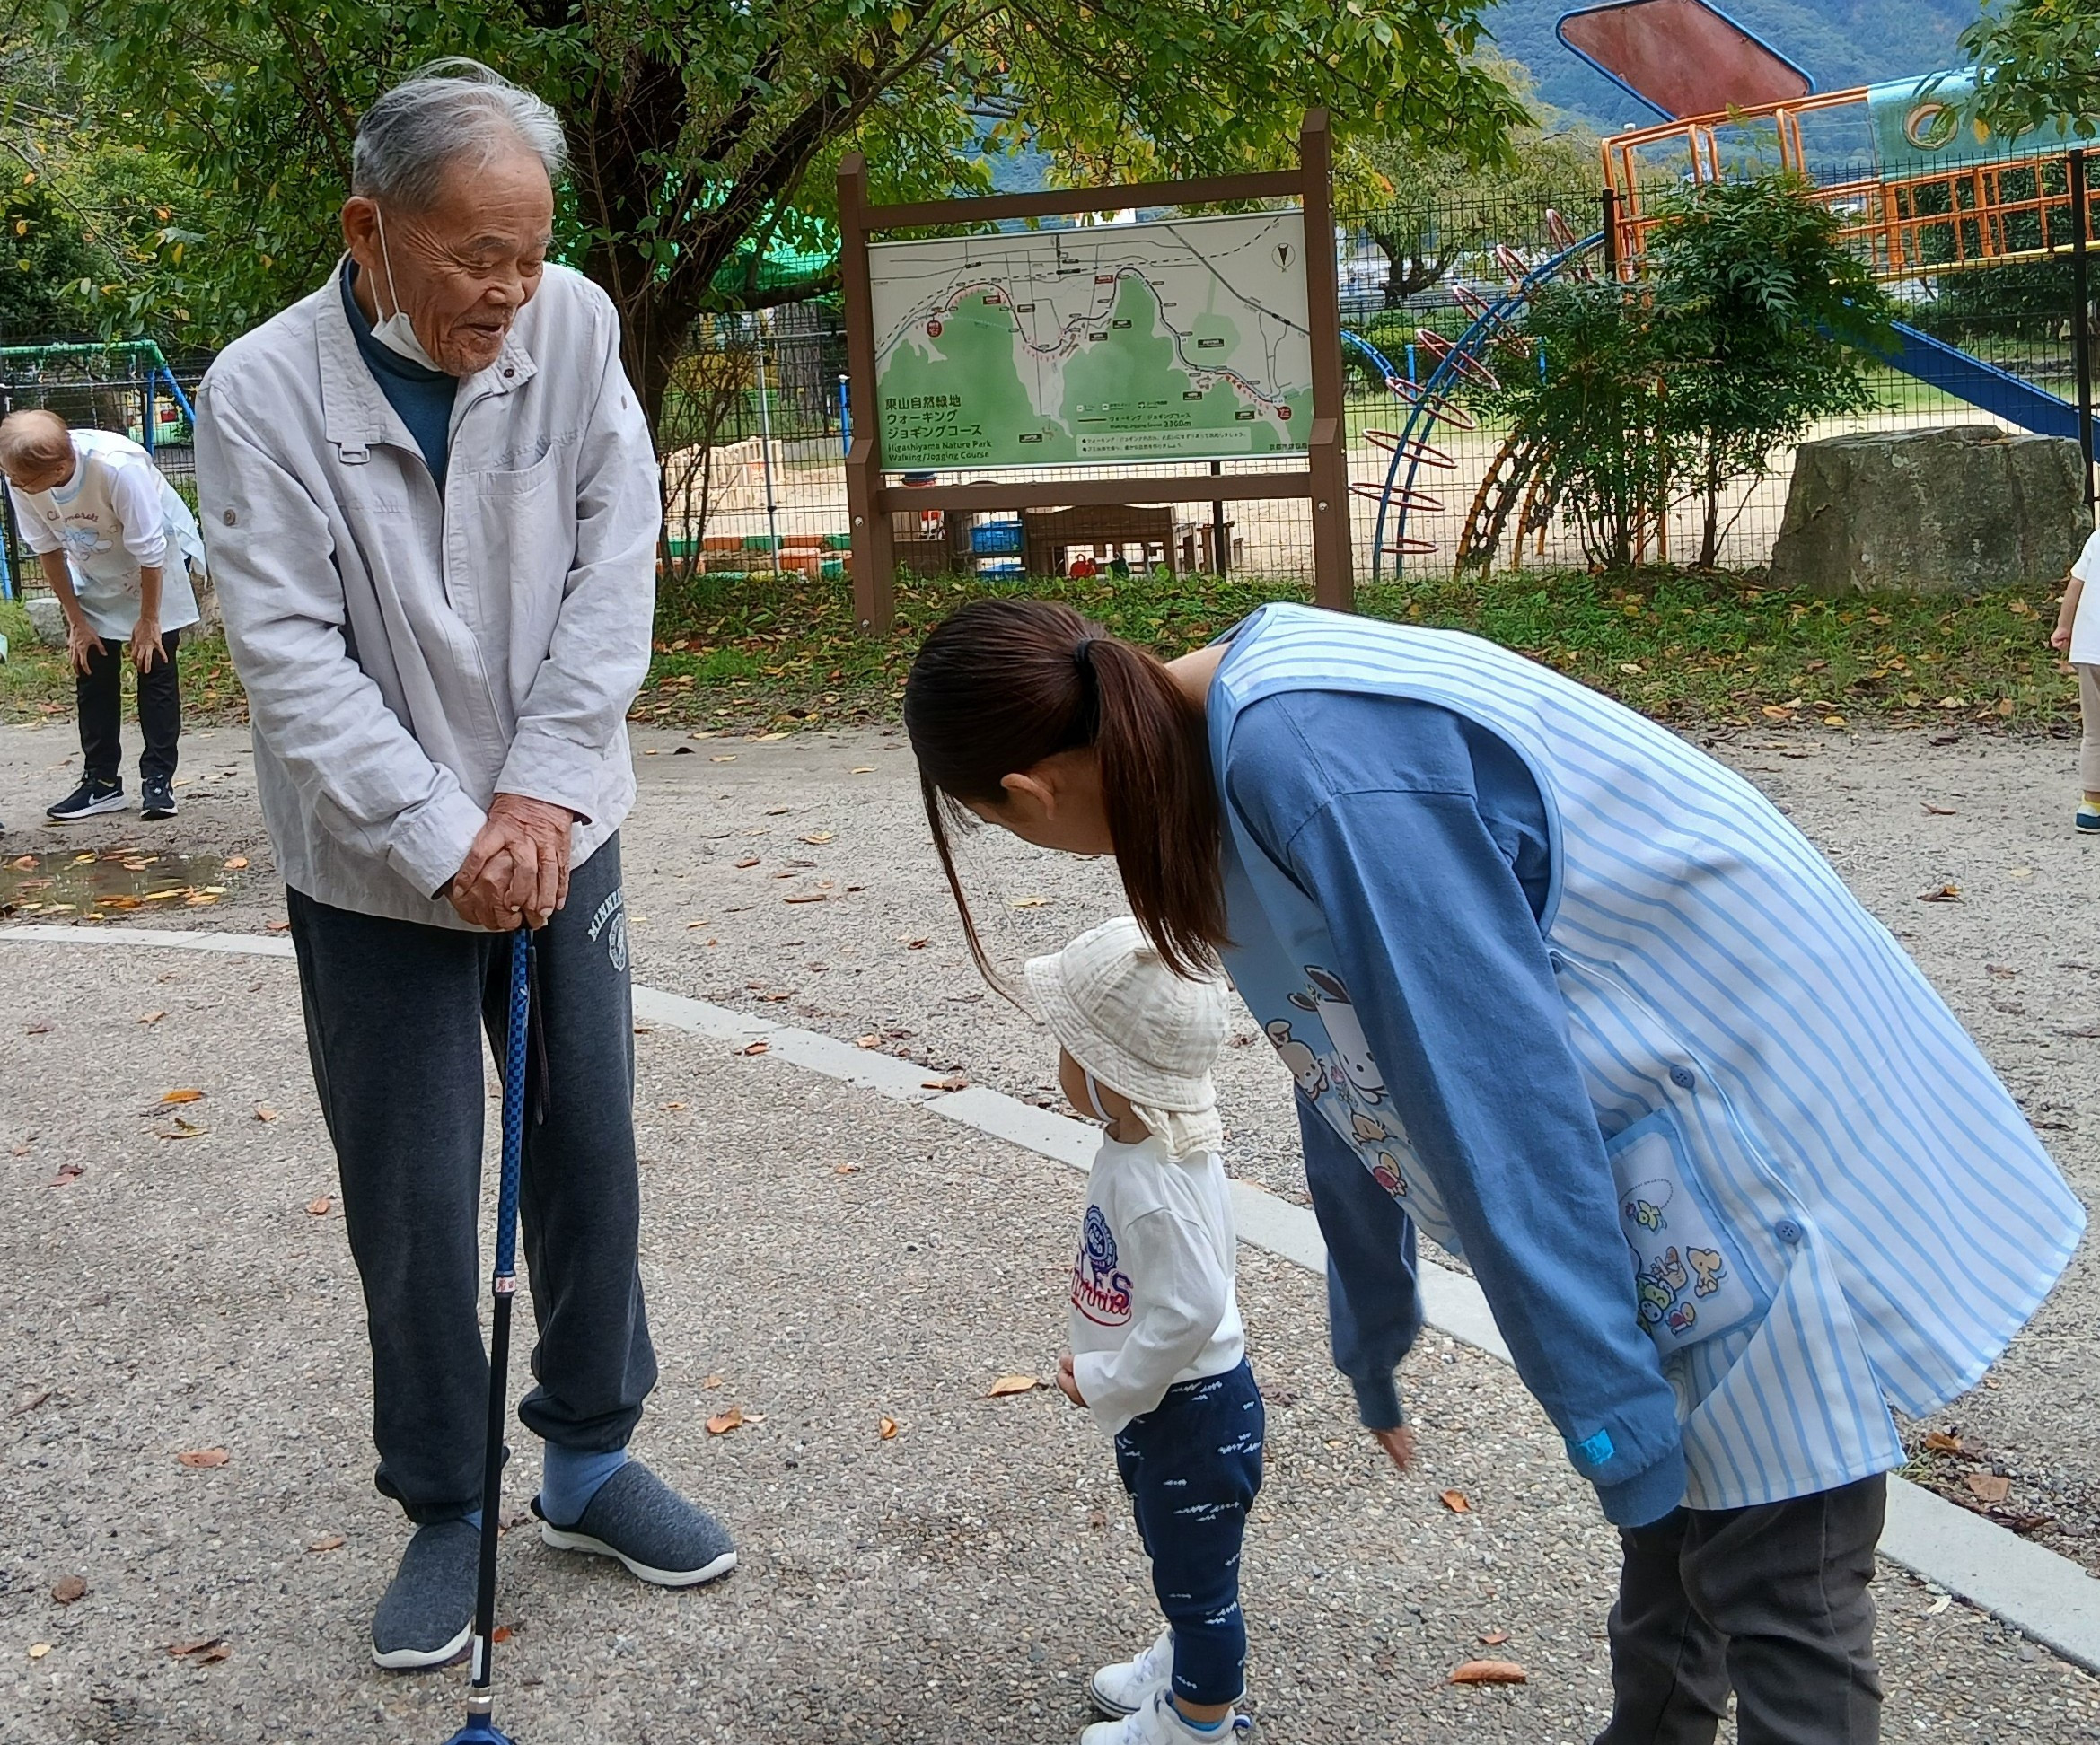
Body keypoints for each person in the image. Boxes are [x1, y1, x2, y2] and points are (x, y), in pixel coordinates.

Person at [903, 597, 2086, 1745]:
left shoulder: (1308, 754)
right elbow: (1340, 1051)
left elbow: (1490, 1090)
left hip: (1748, 1107)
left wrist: (1605, 1411)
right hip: (1647, 1144)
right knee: (1674, 1545)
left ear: (1027, 791)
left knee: (1780, 1579)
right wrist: (1369, 1316)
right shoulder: (1205, 765)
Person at [194, 60, 734, 1673]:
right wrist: (446, 836)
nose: (508, 288)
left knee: (589, 1145)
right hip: (373, 866)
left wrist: (544, 799)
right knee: (419, 1193)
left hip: (561, 824)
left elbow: (609, 561)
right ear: (369, 231)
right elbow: (288, 661)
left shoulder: (569, 326)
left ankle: (583, 1454)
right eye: (470, 256)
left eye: (528, 249)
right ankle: (447, 1497)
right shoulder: (260, 390)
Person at [1026, 917, 1262, 1745]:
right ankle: (1180, 1663)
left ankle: (1198, 1726)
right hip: (1182, 1402)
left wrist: (1110, 1381)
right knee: (1181, 1558)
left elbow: (1190, 1304)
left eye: (1066, 1047)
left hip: (1188, 1408)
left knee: (1202, 1584)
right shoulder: (1152, 1140)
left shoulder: (1153, 1179)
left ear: (1104, 1072)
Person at [0, 408, 204, 822]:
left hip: (156, 559)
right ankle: (102, 783)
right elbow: (47, 549)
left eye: (22, 480)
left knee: (155, 661)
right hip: (93, 560)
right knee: (91, 661)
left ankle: (158, 780)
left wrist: (148, 621)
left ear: (59, 467)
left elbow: (150, 549)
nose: (15, 484)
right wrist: (77, 621)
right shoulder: (20, 473)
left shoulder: (116, 468)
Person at [2052, 524, 2100, 833]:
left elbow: (2076, 585)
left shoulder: (2098, 538)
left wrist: (2064, 627)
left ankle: (2091, 806)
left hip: (2092, 649)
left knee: (2095, 732)